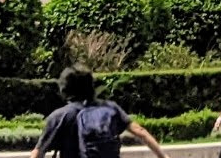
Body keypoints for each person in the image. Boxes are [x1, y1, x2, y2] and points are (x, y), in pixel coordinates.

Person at [32, 65, 170, 158]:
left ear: (64, 88)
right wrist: (163, 156)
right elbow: (141, 132)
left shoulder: (59, 116)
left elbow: (38, 153)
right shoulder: (110, 108)